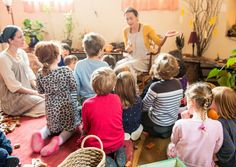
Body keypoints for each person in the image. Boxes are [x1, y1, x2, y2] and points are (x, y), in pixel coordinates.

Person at [31, 41, 81, 157]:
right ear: (58, 57)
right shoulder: (66, 70)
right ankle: (58, 140)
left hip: (50, 109)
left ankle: (41, 134)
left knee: (50, 128)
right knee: (71, 128)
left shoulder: (40, 73)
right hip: (66, 107)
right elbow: (74, 87)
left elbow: (40, 91)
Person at [168, 82, 223, 167]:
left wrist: (184, 120)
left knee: (170, 146)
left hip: (182, 164)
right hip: (205, 164)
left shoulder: (181, 124)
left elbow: (174, 141)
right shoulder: (217, 125)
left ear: (191, 102)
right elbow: (216, 149)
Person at [81, 67, 126, 167]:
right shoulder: (117, 98)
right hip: (118, 139)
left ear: (92, 85)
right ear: (113, 86)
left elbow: (86, 126)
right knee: (116, 139)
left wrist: (83, 134)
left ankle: (105, 158)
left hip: (98, 145)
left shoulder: (87, 104)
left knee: (85, 141)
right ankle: (119, 151)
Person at [116, 7, 178, 74]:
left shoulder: (146, 28)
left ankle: (132, 84)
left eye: (131, 18)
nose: (129, 21)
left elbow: (159, 43)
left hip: (145, 60)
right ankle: (117, 84)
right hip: (132, 59)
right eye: (127, 19)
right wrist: (128, 49)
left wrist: (165, 36)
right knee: (118, 64)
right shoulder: (125, 31)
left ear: (137, 17)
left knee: (126, 66)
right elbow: (127, 48)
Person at [0, 25, 45, 117]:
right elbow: (14, 87)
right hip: (13, 98)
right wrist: (36, 93)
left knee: (50, 99)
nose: (24, 39)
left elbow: (29, 74)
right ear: (10, 40)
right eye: (20, 37)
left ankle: (29, 109)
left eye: (23, 36)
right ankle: (26, 111)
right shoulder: (3, 58)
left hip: (28, 92)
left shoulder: (22, 53)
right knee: (47, 104)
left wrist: (38, 90)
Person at [142, 53, 183, 138]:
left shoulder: (155, 86)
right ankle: (166, 132)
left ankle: (157, 132)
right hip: (172, 122)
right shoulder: (178, 83)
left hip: (156, 125)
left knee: (141, 114)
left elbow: (144, 107)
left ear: (157, 69)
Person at [74, 32, 108, 101]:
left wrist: (76, 99)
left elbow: (76, 85)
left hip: (85, 100)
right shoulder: (104, 65)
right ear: (100, 50)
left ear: (85, 49)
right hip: (102, 99)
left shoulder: (79, 65)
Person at [212, 87, 236, 167]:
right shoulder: (233, 116)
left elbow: (229, 149)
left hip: (230, 162)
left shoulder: (221, 124)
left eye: (211, 100)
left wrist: (217, 158)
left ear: (218, 104)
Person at [115, 71, 143, 141]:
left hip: (121, 129)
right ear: (133, 85)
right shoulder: (138, 99)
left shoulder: (115, 102)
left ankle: (125, 135)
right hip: (135, 126)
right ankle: (134, 132)